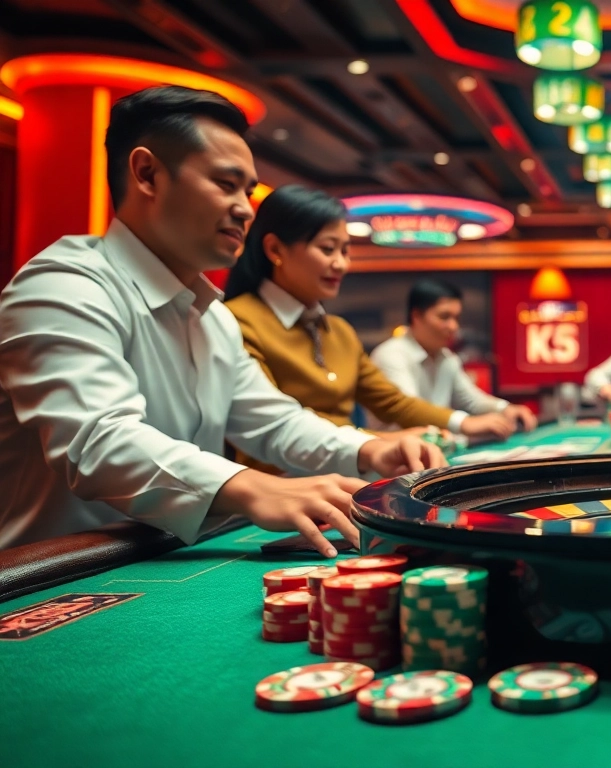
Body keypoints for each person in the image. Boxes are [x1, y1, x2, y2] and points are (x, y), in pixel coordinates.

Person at [0, 86, 441, 554]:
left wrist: (368, 450)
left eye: (248, 191)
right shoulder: (62, 284)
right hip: (51, 583)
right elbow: (97, 442)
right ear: (147, 174)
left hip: (165, 555)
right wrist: (252, 487)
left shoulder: (211, 315)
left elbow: (272, 422)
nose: (246, 209)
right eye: (226, 184)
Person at [222, 185, 517, 474]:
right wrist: (380, 441)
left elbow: (392, 402)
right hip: (279, 495)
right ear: (275, 249)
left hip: (348, 481)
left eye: (345, 250)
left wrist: (461, 423)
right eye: (327, 249)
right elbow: (276, 424)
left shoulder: (339, 331)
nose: (341, 264)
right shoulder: (237, 321)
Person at [367, 279, 536, 434]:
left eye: (456, 318)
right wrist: (466, 423)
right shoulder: (390, 355)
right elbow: (409, 412)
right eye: (444, 317)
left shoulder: (447, 358)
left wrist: (505, 408)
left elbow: (472, 401)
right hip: (395, 461)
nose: (454, 326)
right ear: (416, 316)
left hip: (439, 452)